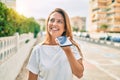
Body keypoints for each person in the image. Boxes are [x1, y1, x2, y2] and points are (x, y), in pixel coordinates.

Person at [26, 8, 84, 80]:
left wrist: (68, 51)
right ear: (47, 24)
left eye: (59, 21)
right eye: (52, 20)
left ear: (65, 27)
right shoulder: (38, 50)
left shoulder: (71, 47)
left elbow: (79, 74)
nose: (54, 24)